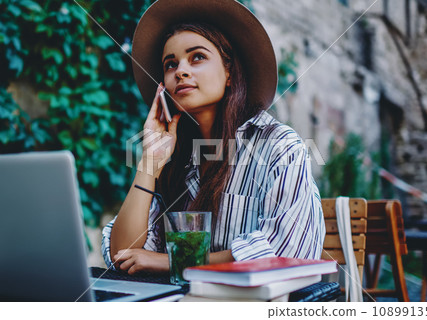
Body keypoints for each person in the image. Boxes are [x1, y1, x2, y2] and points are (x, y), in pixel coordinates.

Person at [102, 0, 325, 275]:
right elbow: (122, 255)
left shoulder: (279, 147)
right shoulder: (174, 160)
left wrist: (173, 262)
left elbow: (284, 253)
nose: (180, 71)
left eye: (197, 57)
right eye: (170, 64)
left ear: (229, 72)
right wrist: (150, 161)